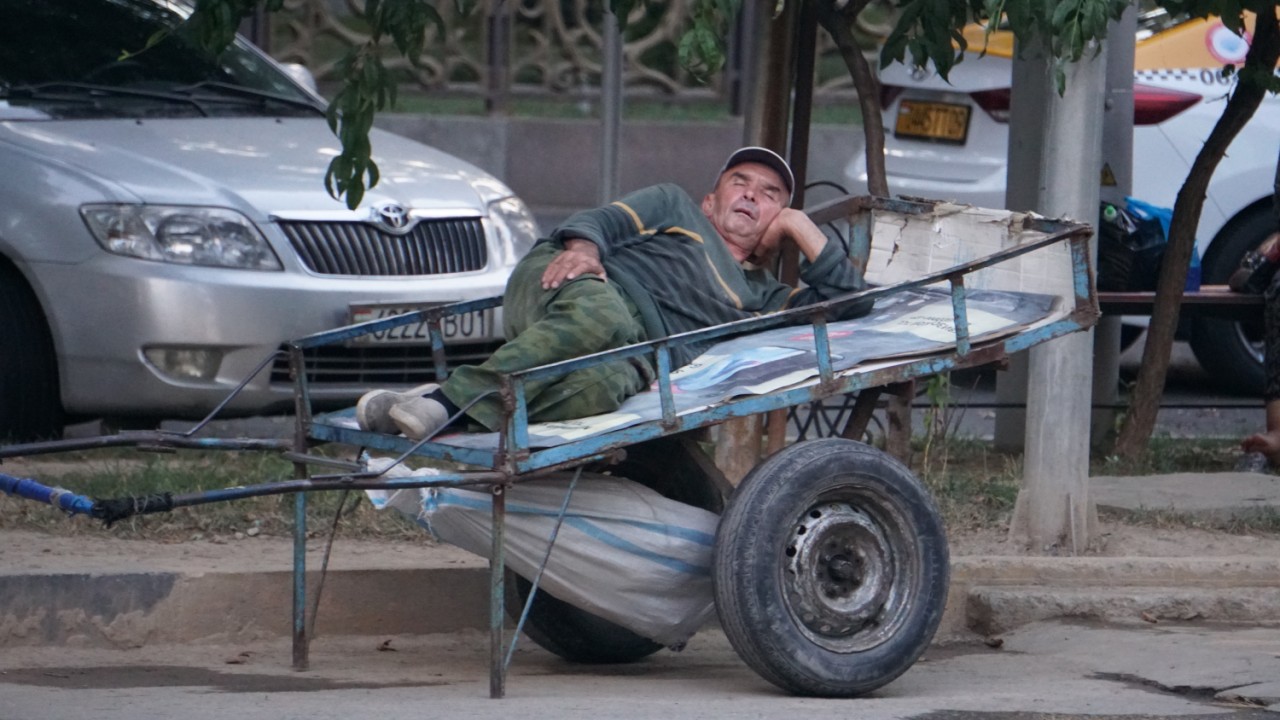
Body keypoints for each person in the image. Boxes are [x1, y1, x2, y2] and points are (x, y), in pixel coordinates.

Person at [355, 146, 874, 440]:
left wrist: (801, 226)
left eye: (770, 196)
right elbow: (600, 220)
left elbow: (852, 304)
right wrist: (585, 250)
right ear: (710, 201)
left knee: (599, 389)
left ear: (777, 220)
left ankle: (435, 407)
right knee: (605, 317)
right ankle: (447, 402)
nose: (751, 196)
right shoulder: (676, 206)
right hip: (573, 280)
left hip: (631, 355)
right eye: (740, 183)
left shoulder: (764, 297)